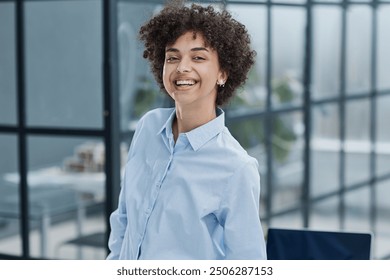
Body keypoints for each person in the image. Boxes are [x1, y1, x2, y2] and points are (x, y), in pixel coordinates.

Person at [107, 2, 267, 260]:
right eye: (172, 57)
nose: (182, 67)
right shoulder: (148, 128)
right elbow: (124, 219)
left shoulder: (237, 168)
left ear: (223, 73)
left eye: (198, 57)